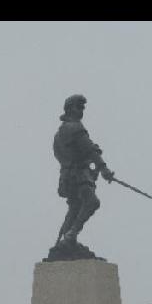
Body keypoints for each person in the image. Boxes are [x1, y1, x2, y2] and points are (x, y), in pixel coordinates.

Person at [52, 94, 114, 248]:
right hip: (78, 175)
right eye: (78, 107)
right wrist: (103, 168)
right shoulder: (75, 127)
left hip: (67, 177)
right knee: (92, 202)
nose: (81, 111)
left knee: (74, 209)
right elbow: (90, 150)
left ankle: (62, 241)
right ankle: (71, 234)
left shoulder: (59, 134)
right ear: (69, 109)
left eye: (82, 108)